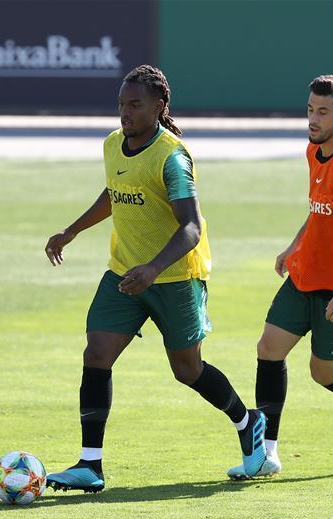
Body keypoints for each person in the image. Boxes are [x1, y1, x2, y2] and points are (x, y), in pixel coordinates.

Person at [44, 64, 267, 493]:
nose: (124, 113)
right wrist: (71, 230)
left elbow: (191, 228)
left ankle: (247, 420)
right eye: (121, 105)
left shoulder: (172, 157)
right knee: (96, 355)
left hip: (175, 277)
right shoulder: (113, 145)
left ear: (159, 106)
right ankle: (90, 465)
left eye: (135, 105)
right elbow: (115, 192)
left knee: (187, 370)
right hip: (125, 273)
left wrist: (153, 269)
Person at [227, 75, 333, 480]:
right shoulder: (315, 149)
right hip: (307, 275)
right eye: (310, 109)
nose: (313, 119)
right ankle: (266, 453)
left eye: (323, 112)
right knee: (269, 348)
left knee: (323, 372)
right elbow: (322, 206)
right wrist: (294, 246)